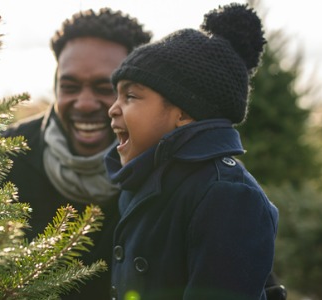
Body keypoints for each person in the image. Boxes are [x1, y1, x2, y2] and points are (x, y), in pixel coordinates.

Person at [104, 3, 279, 299]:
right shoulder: (141, 178)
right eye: (116, 95)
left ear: (184, 112)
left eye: (131, 96)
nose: (112, 109)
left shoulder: (228, 196)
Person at [0, 8, 152, 300]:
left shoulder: (163, 166)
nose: (85, 104)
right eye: (70, 86)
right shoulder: (9, 154)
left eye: (105, 88)